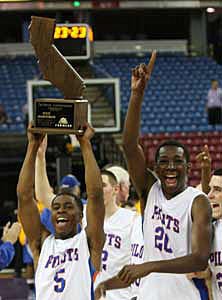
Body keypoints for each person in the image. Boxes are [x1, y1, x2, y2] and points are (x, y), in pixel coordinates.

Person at [118, 51, 212, 300]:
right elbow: (129, 145)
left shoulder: (197, 201)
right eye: (164, 162)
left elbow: (200, 258)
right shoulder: (150, 189)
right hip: (149, 295)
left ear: (188, 167)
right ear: (156, 168)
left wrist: (150, 266)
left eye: (178, 162)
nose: (171, 167)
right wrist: (137, 95)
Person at [17, 123, 105, 299]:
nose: (61, 211)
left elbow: (95, 195)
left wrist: (85, 144)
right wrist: (33, 147)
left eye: (68, 207)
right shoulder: (41, 243)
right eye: (56, 207)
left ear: (81, 216)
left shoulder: (88, 241)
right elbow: (24, 196)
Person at [94, 169, 137, 300]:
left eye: (103, 185)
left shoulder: (132, 219)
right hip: (98, 294)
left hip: (124, 295)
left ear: (116, 189)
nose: (98, 190)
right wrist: (40, 157)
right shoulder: (88, 217)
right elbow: (45, 196)